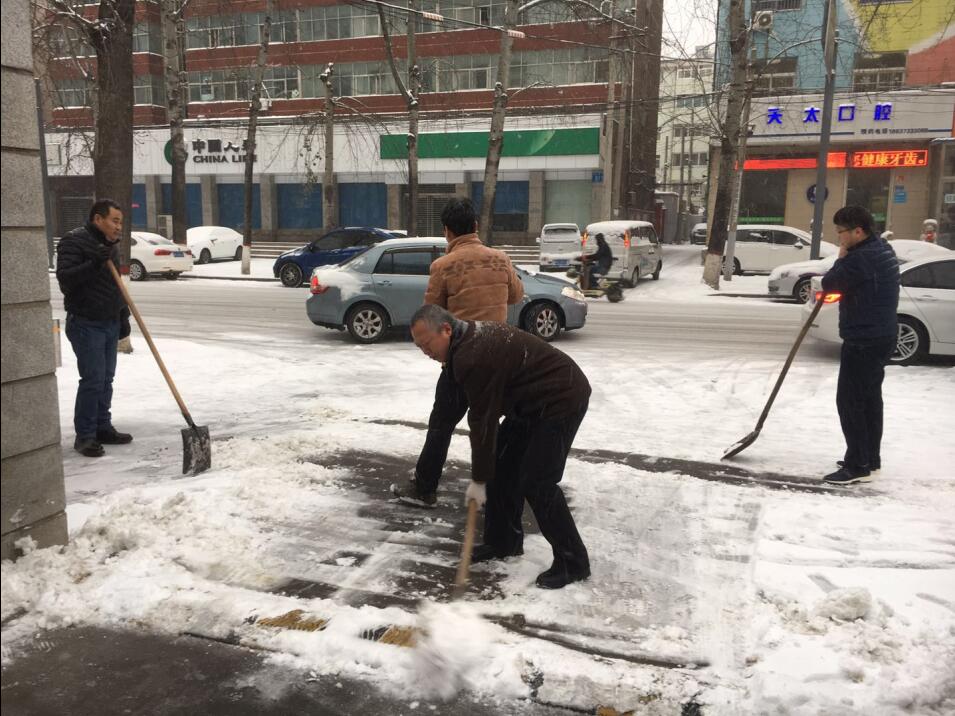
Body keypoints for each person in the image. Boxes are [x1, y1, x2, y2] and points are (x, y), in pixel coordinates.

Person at [409, 304, 591, 589]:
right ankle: (503, 542)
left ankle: (574, 562)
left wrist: (478, 479)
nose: (425, 351)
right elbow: (446, 411)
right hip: (528, 405)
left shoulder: (474, 355)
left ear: (445, 330)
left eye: (427, 343)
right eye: (419, 347)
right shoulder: (458, 349)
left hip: (560, 399)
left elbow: (483, 421)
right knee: (502, 467)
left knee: (537, 481)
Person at [391, 197, 524, 508]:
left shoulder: (443, 266)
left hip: (461, 358)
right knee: (490, 425)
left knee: (442, 424)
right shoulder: (500, 259)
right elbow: (517, 295)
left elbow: (432, 315)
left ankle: (425, 488)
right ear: (475, 226)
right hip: (500, 355)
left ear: (447, 230)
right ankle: (497, 493)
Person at [820, 205, 899, 485]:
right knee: (869, 400)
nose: (839, 237)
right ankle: (869, 458)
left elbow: (830, 283)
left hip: (863, 340)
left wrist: (841, 258)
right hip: (882, 335)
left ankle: (857, 466)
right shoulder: (882, 249)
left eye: (841, 232)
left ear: (858, 231)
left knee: (850, 402)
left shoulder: (859, 259)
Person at [56, 199, 133, 458]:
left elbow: (114, 285)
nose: (118, 226)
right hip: (86, 322)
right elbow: (66, 280)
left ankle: (102, 427)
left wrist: (123, 315)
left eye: (120, 221)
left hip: (109, 321)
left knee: (106, 379)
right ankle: (85, 436)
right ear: (97, 219)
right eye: (114, 220)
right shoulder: (73, 241)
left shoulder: (110, 246)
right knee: (93, 380)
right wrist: (94, 263)